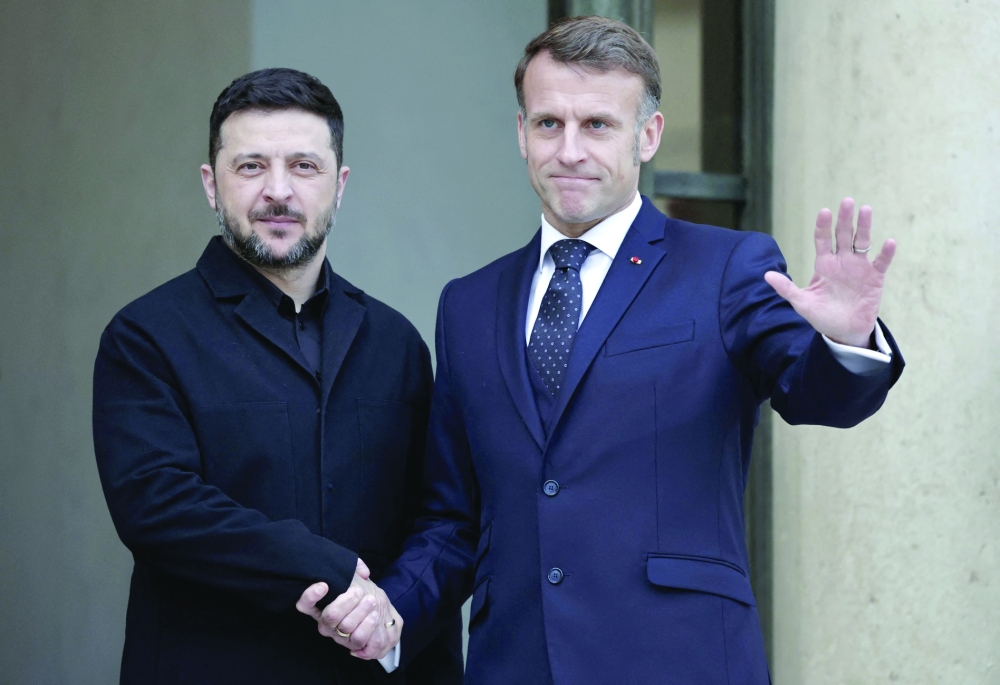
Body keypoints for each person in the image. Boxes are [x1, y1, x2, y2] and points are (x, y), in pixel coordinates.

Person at [316, 16, 906, 684]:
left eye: (597, 124)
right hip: (517, 664)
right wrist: (392, 609)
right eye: (549, 123)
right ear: (521, 133)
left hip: (680, 661)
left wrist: (846, 339)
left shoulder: (726, 267)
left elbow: (817, 394)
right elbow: (453, 519)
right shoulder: (468, 304)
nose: (569, 150)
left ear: (647, 136)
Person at [92, 68, 462, 685]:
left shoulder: (396, 343)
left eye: (304, 166)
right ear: (211, 184)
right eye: (251, 166)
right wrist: (331, 574)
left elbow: (439, 515)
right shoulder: (146, 336)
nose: (278, 191)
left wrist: (392, 612)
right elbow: (158, 507)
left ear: (340, 185)